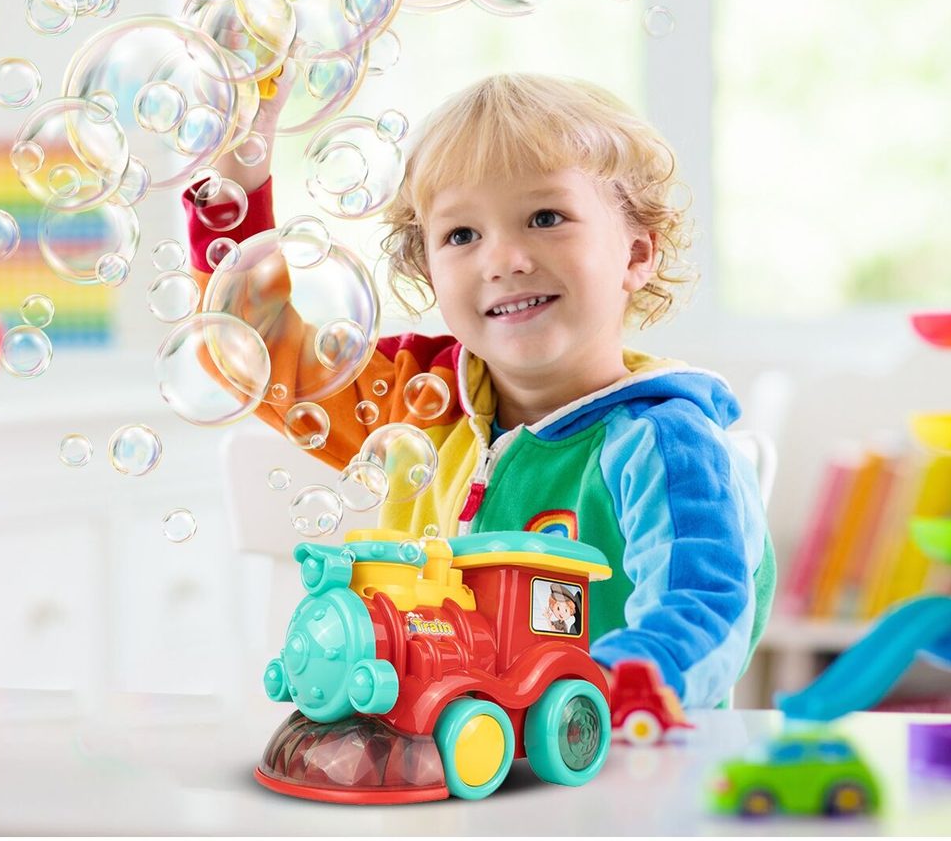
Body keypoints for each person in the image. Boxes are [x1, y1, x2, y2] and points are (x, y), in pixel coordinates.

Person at [183, 69, 775, 710]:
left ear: (636, 255)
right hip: (440, 759)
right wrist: (239, 165)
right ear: (428, 269)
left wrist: (606, 697)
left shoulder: (666, 442)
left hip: (611, 756)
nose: (504, 260)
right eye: (461, 235)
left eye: (546, 217)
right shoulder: (415, 398)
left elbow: (702, 609)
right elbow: (248, 344)